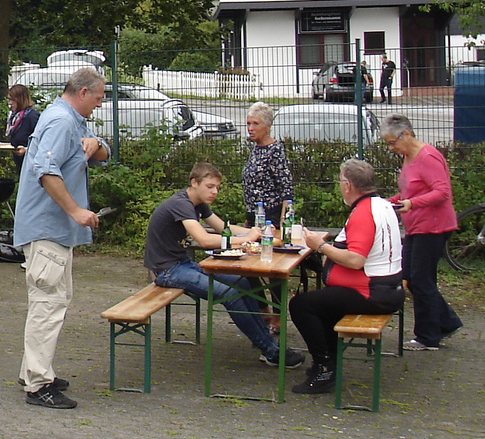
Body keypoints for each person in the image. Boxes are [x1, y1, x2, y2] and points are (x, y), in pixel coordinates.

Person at [11, 65, 110, 409]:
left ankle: (34, 370)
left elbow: (103, 153)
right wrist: (76, 212)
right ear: (83, 93)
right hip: (46, 228)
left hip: (56, 232)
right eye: (98, 97)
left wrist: (97, 144)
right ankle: (38, 385)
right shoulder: (60, 121)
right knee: (47, 302)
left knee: (55, 298)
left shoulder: (70, 119)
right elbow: (46, 172)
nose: (100, 103)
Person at [145, 163, 306, 370]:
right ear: (194, 183)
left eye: (217, 188)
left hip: (183, 263)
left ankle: (268, 342)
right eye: (210, 186)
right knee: (229, 292)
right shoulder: (181, 203)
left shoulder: (197, 203)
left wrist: (261, 232)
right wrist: (246, 238)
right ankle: (271, 351)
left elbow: (224, 228)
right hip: (166, 271)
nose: (215, 192)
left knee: (242, 281)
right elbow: (203, 240)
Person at [290, 159, 405, 393]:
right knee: (324, 303)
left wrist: (320, 247)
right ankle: (329, 362)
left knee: (301, 305)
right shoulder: (382, 205)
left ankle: (325, 367)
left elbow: (355, 260)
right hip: (388, 289)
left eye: (341, 180)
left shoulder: (364, 213)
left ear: (348, 185)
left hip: (373, 293)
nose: (340, 185)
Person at [381, 114, 462, 350]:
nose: (391, 148)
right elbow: (408, 192)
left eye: (392, 142)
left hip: (433, 227)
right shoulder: (409, 157)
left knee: (420, 280)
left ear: (406, 134)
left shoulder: (428, 157)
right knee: (412, 278)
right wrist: (390, 202)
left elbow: (443, 192)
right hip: (416, 226)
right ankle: (447, 323)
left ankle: (428, 337)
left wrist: (412, 204)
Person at [242, 102, 293, 229]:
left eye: (255, 124)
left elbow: (286, 187)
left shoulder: (274, 150)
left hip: (270, 220)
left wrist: (283, 221)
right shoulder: (256, 148)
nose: (250, 128)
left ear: (268, 126)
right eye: (248, 123)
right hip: (252, 217)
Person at [3, 84, 40, 156]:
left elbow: (41, 142)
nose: (10, 103)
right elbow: (16, 142)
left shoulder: (32, 116)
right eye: (9, 99)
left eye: (12, 100)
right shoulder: (15, 117)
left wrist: (26, 150)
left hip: (30, 162)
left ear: (20, 100)